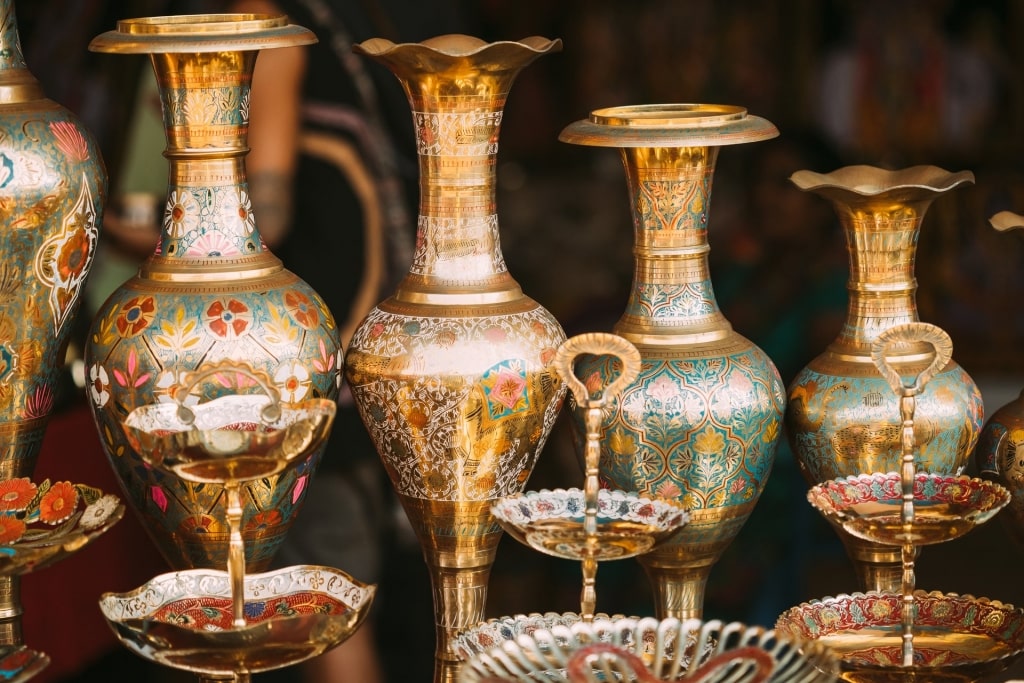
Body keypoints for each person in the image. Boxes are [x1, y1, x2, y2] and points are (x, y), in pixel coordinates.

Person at [226, 1, 461, 680]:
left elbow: (263, 214)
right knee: (355, 593)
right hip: (370, 357)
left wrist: (154, 235)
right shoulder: (339, 28)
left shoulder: (264, 23)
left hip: (315, 368)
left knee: (326, 609)